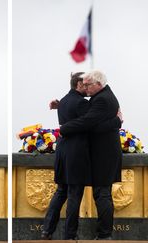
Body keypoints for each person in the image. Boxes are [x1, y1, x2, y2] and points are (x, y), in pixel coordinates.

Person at [60, 70, 122, 240]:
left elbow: (88, 123)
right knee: (102, 193)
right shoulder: (102, 96)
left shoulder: (102, 99)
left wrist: (64, 128)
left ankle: (104, 235)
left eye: (88, 85)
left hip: (104, 154)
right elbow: (91, 118)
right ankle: (103, 234)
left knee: (102, 194)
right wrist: (116, 122)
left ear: (98, 84)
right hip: (104, 153)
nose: (85, 88)